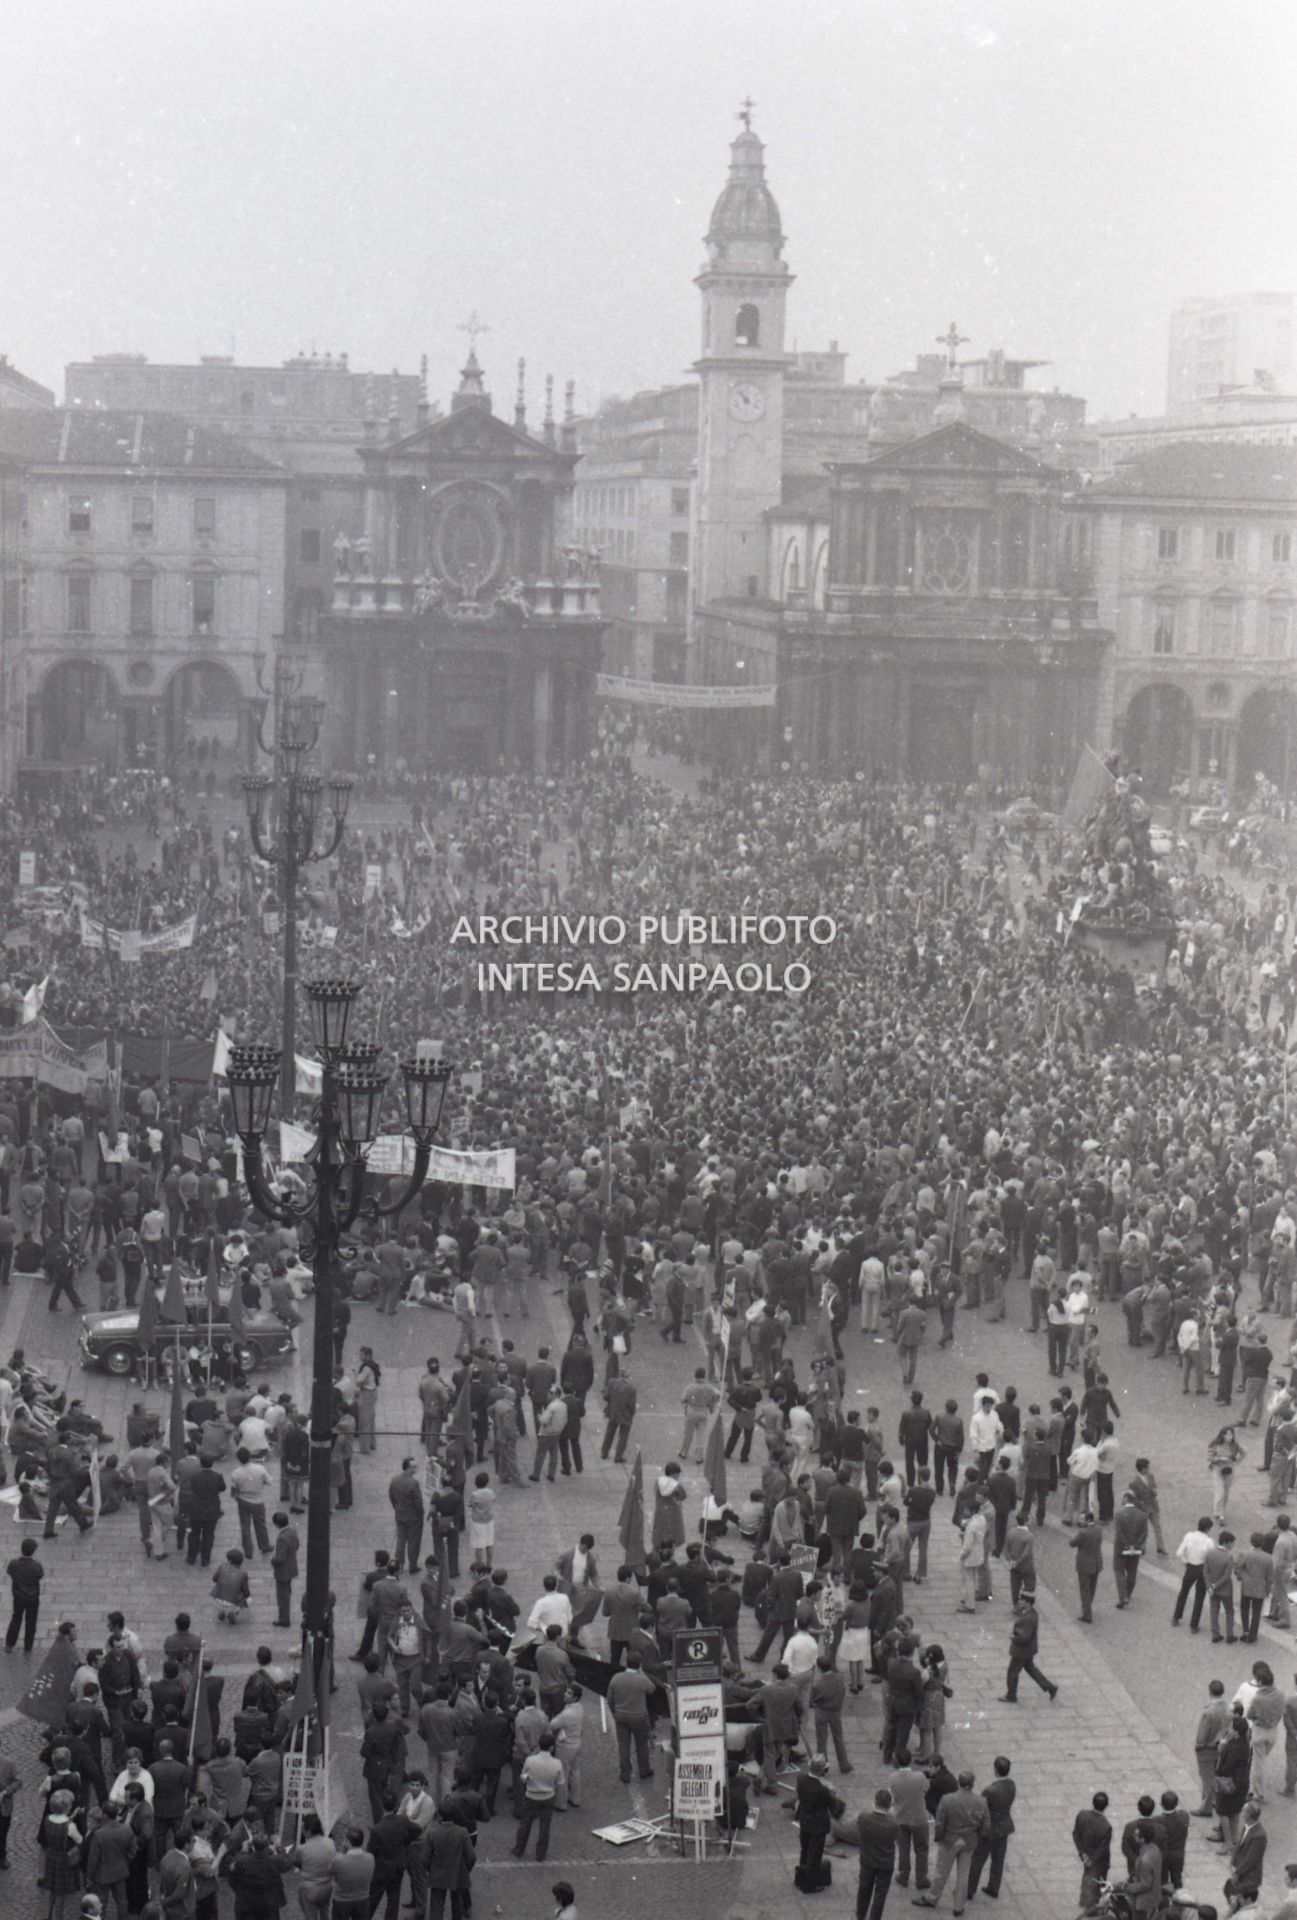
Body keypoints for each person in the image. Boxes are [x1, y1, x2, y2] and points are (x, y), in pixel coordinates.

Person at [914, 1769, 990, 1913]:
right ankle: (958, 1907)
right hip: (969, 1841)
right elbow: (986, 1825)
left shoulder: (947, 1799)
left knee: (941, 1872)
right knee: (963, 1875)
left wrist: (939, 1837)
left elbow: (940, 1822)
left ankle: (932, 1898)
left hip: (950, 1840)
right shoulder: (981, 1802)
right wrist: (977, 1838)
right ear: (972, 1784)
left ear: (959, 1783)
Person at [966, 1755, 1015, 1901]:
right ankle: (994, 1887)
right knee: (998, 1859)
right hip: (1004, 1827)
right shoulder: (1011, 1784)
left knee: (978, 1859)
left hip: (990, 1830)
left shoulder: (990, 1791)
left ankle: (969, 1889)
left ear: (995, 1769)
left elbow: (981, 1808)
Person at [512, 1731, 564, 1862]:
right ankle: (540, 1854)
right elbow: (560, 1782)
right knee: (544, 1827)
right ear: (552, 1747)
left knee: (525, 1824)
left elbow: (523, 1778)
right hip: (548, 1796)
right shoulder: (557, 1763)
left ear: (539, 1745)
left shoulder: (530, 1760)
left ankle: (519, 1849)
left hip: (531, 1796)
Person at [794, 1755, 844, 1890]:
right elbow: (835, 1807)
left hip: (804, 1819)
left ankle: (800, 1877)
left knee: (804, 1850)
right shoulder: (822, 1789)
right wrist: (835, 1794)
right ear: (823, 1770)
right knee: (815, 1854)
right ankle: (809, 1884)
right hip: (818, 1824)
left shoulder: (801, 1779)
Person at [999, 1594, 1057, 1703]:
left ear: (1028, 1603)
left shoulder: (1028, 1619)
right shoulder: (1031, 1613)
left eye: (1022, 1600)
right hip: (1028, 1650)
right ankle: (1050, 1687)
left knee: (1012, 1672)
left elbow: (1024, 1637)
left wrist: (1014, 1637)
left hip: (1022, 1651)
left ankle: (1011, 1695)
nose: (1019, 1602)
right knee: (1031, 1669)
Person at [855, 1786, 897, 1920]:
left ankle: (860, 1915)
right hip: (885, 1863)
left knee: (864, 1889)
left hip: (867, 1859)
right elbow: (895, 1837)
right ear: (890, 1805)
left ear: (875, 1802)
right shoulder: (893, 1824)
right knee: (880, 1893)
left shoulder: (863, 1817)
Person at [6, 1535, 44, 1651]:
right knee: (31, 1622)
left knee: (16, 1618)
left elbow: (9, 1572)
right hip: (33, 1598)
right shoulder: (36, 1565)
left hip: (18, 1597)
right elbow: (40, 1575)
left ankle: (9, 1644)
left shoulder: (14, 1563)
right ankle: (28, 1646)